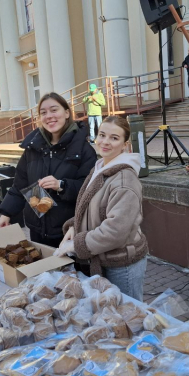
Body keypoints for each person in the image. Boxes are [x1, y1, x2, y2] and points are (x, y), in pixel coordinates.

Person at [54, 116, 148, 301]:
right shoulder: (100, 168)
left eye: (114, 138)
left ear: (125, 145)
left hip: (121, 265)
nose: (105, 142)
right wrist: (75, 226)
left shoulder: (124, 180)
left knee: (128, 318)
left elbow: (115, 230)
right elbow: (91, 208)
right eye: (102, 135)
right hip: (105, 257)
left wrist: (76, 244)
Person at [0, 92, 97, 247]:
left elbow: (90, 188)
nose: (49, 116)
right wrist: (6, 213)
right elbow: (20, 184)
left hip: (68, 231)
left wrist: (62, 185)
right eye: (43, 112)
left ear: (66, 113)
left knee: (68, 271)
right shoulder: (32, 148)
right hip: (37, 230)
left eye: (54, 110)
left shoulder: (83, 149)